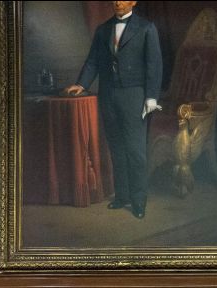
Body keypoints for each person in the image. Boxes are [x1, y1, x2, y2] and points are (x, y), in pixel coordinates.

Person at [65, 1, 163, 220]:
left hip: (134, 96)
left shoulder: (147, 28)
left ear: (133, 1)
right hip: (108, 95)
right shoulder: (103, 29)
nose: (117, 2)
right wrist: (82, 84)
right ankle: (122, 196)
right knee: (117, 148)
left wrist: (151, 97)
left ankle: (138, 201)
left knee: (135, 151)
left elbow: (154, 65)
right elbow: (93, 61)